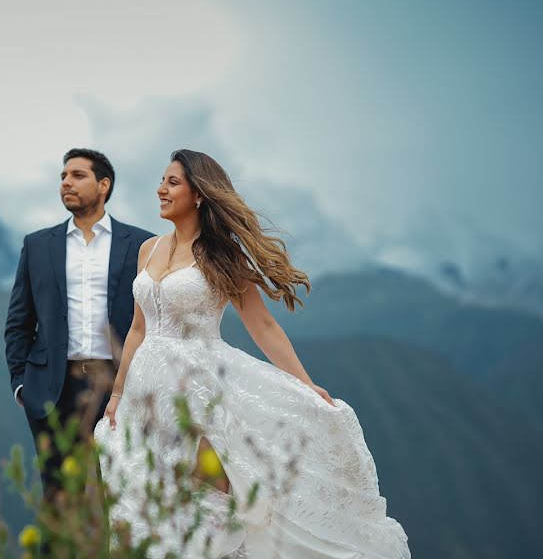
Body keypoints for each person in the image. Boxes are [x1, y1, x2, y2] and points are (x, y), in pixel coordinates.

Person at [93, 150, 411, 558]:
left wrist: (305, 383)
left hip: (201, 388)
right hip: (146, 393)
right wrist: (117, 395)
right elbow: (138, 329)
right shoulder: (148, 250)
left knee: (207, 497)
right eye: (162, 180)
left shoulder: (223, 255)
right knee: (152, 500)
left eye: (172, 182)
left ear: (200, 194)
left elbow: (262, 325)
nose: (161, 189)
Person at [5, 148, 154, 508]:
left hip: (119, 386)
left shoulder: (141, 244)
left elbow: (153, 318)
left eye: (77, 175)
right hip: (54, 389)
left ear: (104, 185)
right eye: (62, 176)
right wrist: (23, 386)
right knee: (59, 500)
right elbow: (19, 322)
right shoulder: (38, 245)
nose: (66, 183)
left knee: (121, 498)